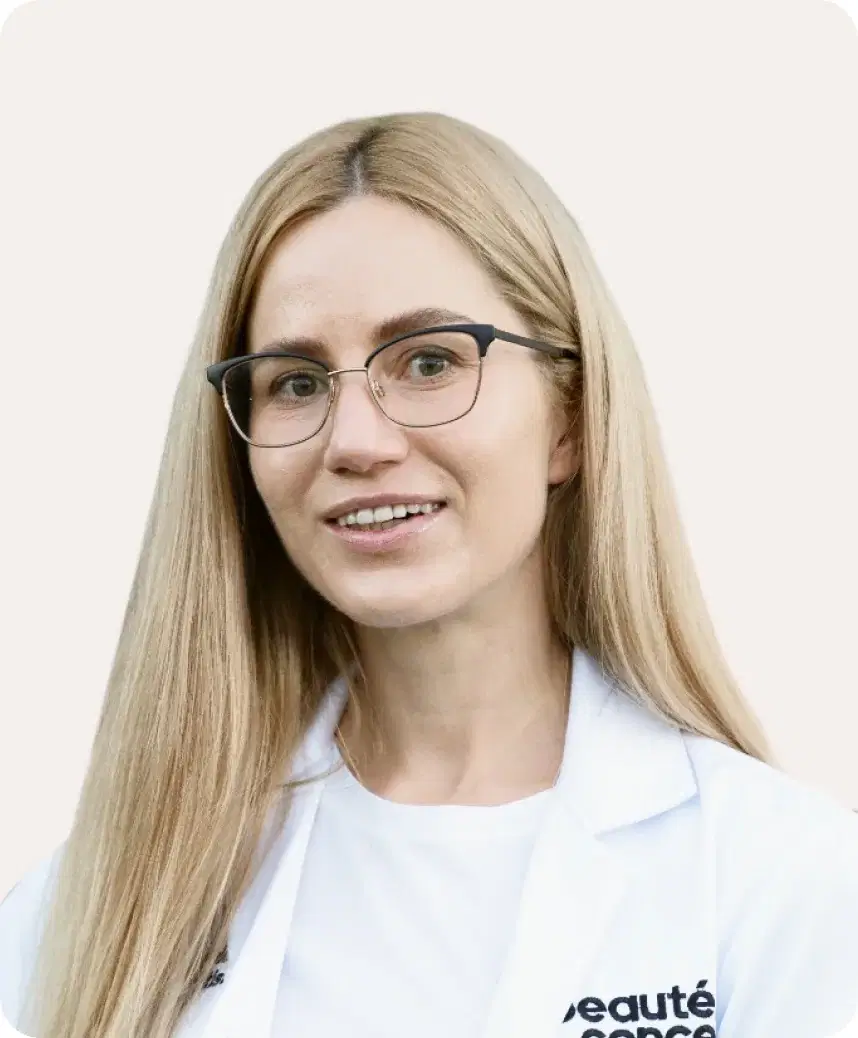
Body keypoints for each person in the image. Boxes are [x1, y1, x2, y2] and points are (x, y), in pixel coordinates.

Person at [0, 111, 856, 1038]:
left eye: (431, 362)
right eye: (296, 382)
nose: (356, 441)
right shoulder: (90, 915)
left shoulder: (784, 885)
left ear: (569, 420)